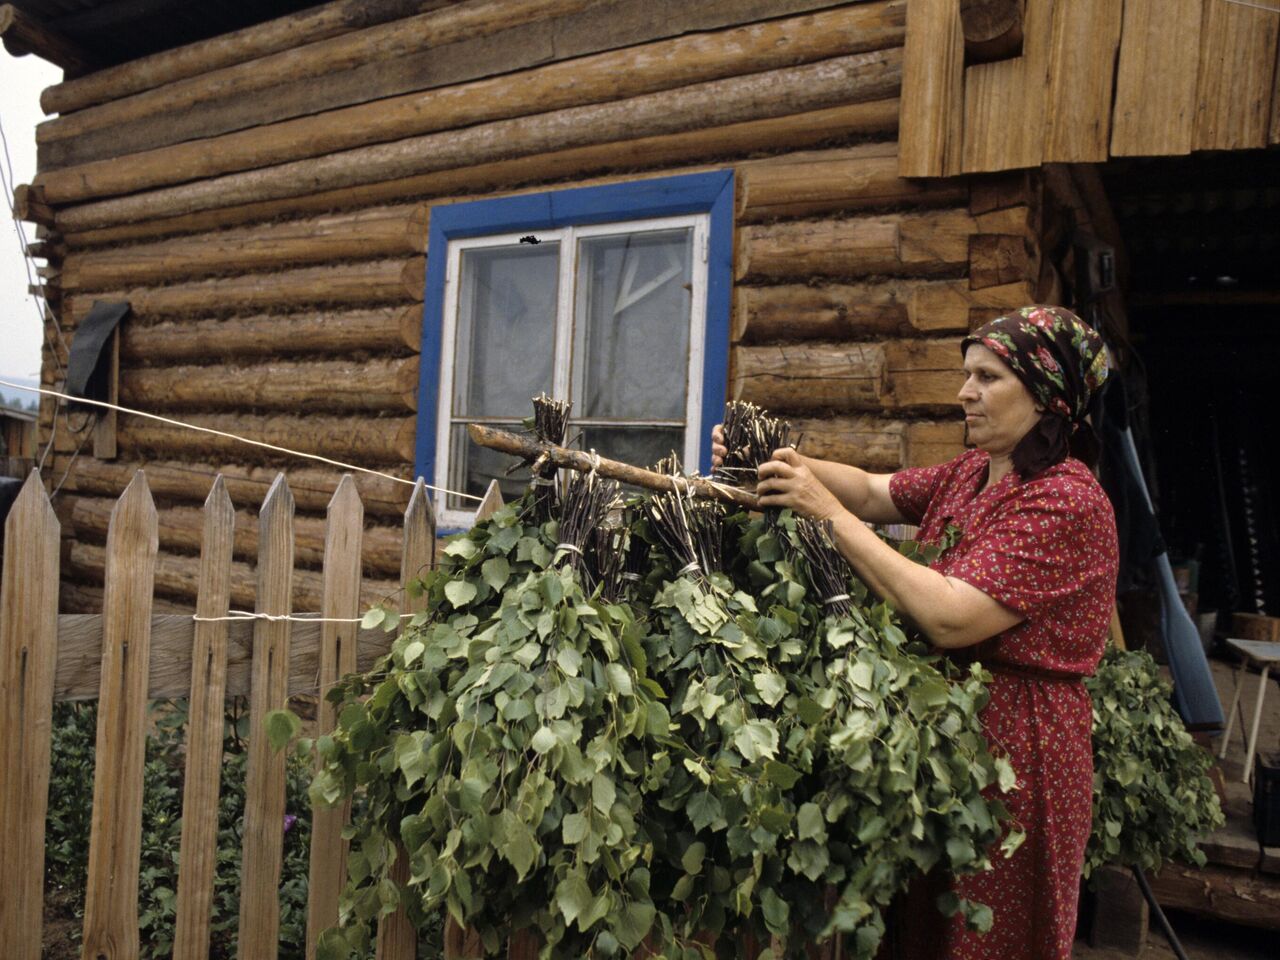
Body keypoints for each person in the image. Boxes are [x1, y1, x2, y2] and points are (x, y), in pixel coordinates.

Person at [714, 306, 1119, 960]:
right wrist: (781, 469)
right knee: (927, 929)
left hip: (1019, 755)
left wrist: (825, 515)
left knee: (988, 933)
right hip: (946, 736)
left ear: (1046, 394)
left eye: (987, 377)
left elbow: (950, 615)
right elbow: (873, 490)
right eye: (966, 374)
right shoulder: (972, 473)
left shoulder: (1066, 501)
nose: (964, 392)